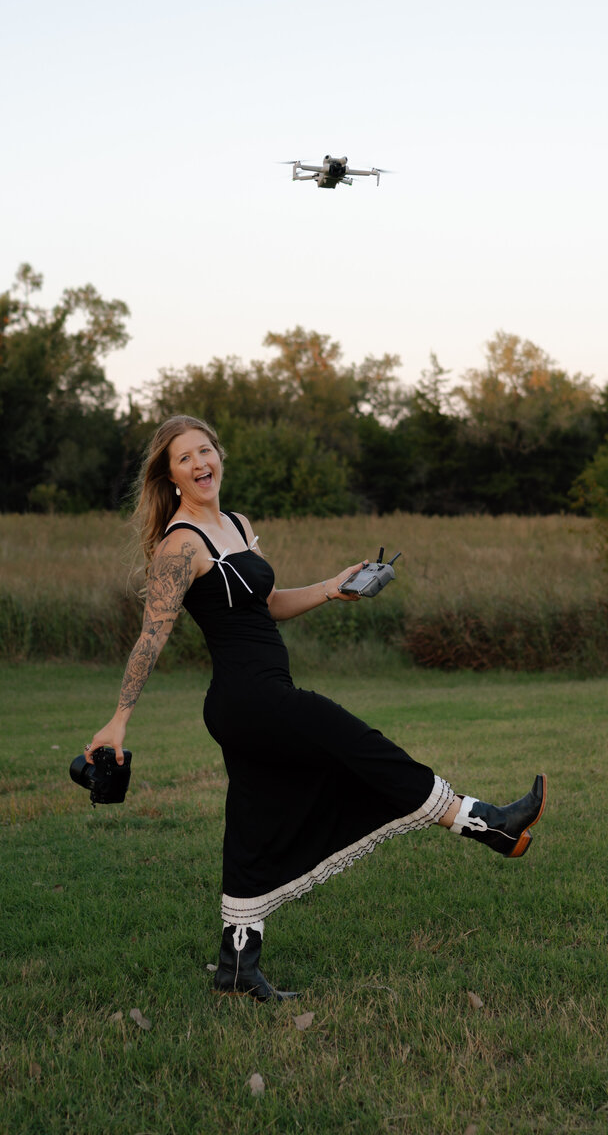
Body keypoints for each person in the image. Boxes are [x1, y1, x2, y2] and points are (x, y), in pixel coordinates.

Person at [84, 415, 547, 1001]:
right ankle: (483, 821)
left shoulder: (236, 524)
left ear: (219, 456)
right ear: (170, 475)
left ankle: (236, 967)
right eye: (185, 458)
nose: (200, 464)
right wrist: (119, 718)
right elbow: (152, 636)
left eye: (207, 450)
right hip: (248, 698)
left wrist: (332, 587)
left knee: (254, 825)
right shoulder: (179, 545)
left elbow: (268, 603)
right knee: (358, 745)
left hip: (262, 691)